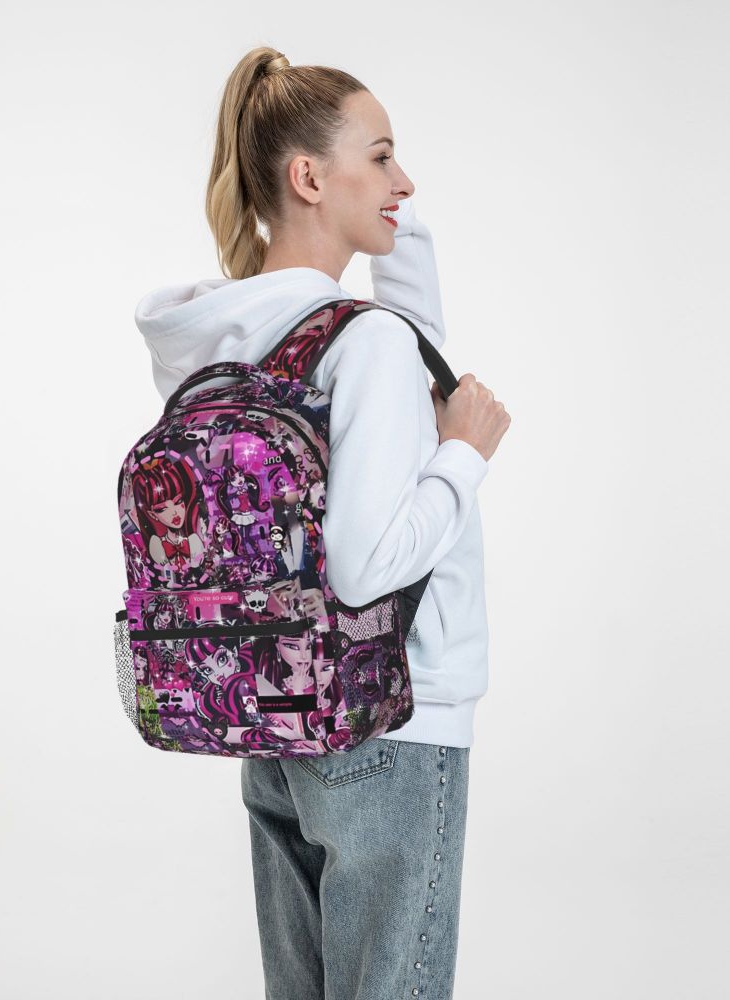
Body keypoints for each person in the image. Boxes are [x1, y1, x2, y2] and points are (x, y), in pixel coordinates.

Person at [134, 45, 511, 1000]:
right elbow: (363, 565)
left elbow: (401, 359)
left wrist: (382, 214)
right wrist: (464, 453)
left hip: (272, 714)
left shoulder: (224, 337)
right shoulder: (365, 341)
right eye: (382, 158)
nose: (405, 183)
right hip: (393, 712)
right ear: (308, 177)